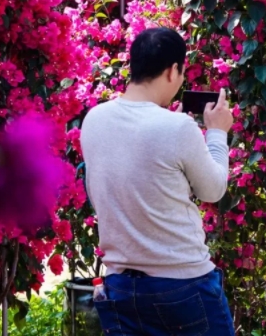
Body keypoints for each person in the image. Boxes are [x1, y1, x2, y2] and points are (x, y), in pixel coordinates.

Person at [80, 27, 235, 335]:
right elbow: (213, 189)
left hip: (120, 285)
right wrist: (217, 132)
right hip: (182, 285)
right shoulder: (176, 127)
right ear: (171, 71)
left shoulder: (94, 119)